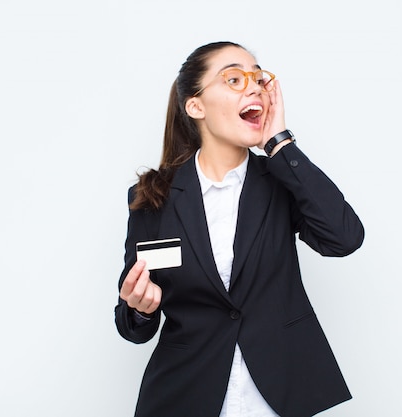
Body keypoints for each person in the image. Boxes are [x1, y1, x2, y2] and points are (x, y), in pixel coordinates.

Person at [114, 41, 364, 417]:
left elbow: (344, 238)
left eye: (258, 79)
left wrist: (280, 144)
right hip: (184, 395)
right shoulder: (153, 197)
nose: (253, 87)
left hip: (279, 395)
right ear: (195, 106)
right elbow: (133, 326)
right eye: (233, 78)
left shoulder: (282, 180)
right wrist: (141, 309)